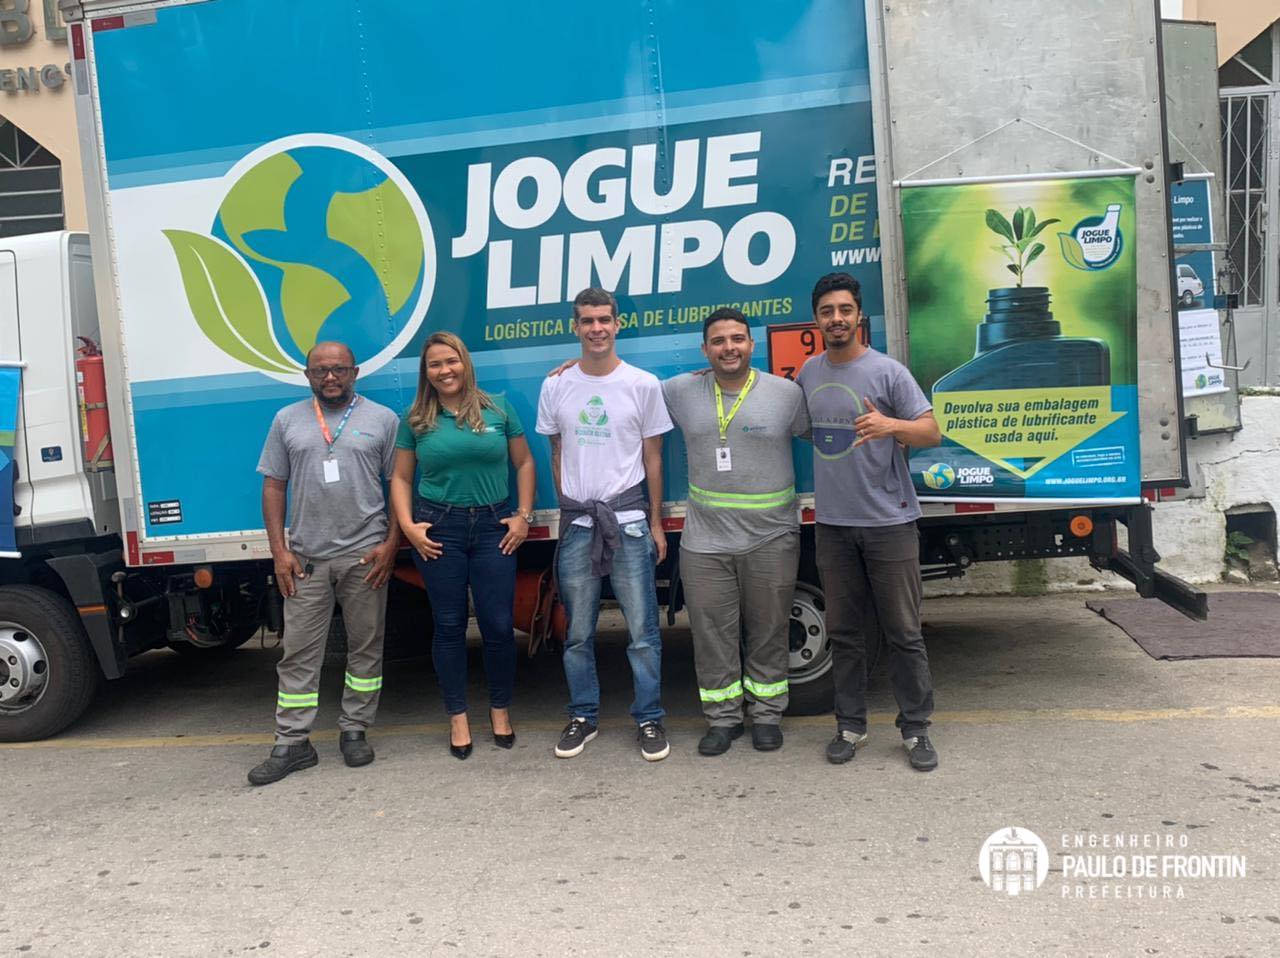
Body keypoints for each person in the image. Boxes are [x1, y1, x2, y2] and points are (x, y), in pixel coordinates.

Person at [797, 273, 942, 770]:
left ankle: (917, 730)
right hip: (834, 526)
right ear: (815, 320)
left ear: (859, 316)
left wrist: (890, 426)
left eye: (844, 310)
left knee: (903, 631)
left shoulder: (888, 372)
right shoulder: (808, 375)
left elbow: (931, 431)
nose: (836, 319)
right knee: (843, 632)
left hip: (890, 522)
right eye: (826, 311)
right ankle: (850, 726)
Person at [248, 341, 401, 786]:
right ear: (307, 375)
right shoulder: (287, 421)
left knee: (366, 647)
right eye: (320, 371)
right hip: (306, 560)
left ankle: (355, 729)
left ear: (354, 372)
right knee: (298, 654)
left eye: (338, 370)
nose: (330, 377)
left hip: (365, 555)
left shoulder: (383, 420)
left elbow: (399, 486)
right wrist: (280, 550)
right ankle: (292, 742)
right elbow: (274, 487)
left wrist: (390, 545)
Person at [662, 307, 809, 755]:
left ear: (752, 344)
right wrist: (576, 367)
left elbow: (821, 435)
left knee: (768, 629)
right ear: (705, 349)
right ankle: (723, 720)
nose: (729, 347)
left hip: (772, 537)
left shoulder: (787, 394)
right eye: (719, 341)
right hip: (706, 542)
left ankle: (766, 714)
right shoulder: (680, 391)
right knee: (711, 633)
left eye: (738, 339)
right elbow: (619, 388)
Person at [536, 287, 673, 762]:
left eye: (604, 319)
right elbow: (555, 452)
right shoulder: (555, 385)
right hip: (578, 525)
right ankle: (582, 715)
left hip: (631, 524)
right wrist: (570, 509)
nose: (596, 328)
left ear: (618, 325)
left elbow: (654, 461)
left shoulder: (643, 385)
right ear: (574, 327)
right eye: (587, 320)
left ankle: (650, 718)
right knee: (577, 633)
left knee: (642, 632)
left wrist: (655, 523)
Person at [389, 332, 536, 760]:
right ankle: (457, 717)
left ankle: (500, 711)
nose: (444, 370)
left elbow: (524, 462)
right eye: (435, 364)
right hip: (439, 530)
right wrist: (408, 527)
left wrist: (523, 517)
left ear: (465, 362)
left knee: (496, 624)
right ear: (426, 372)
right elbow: (399, 478)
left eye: (450, 361)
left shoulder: (497, 408)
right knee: (450, 625)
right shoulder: (416, 418)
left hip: (494, 526)